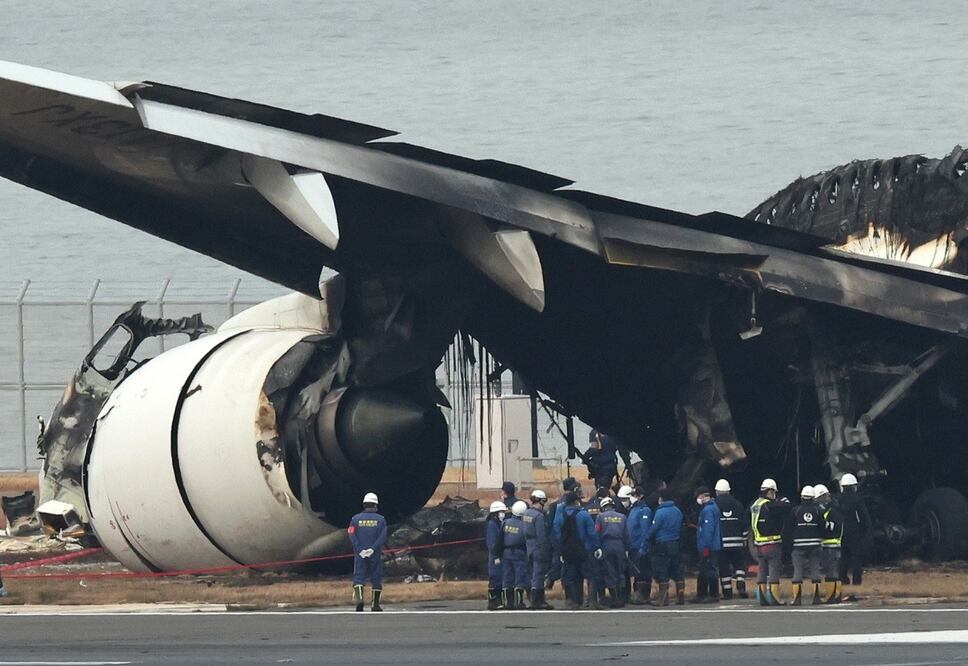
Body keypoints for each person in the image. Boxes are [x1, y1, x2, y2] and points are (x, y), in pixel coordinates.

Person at [553, 491, 601, 610]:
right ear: (576, 501)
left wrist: (561, 549)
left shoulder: (561, 515)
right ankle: (592, 601)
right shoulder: (584, 515)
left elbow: (557, 532)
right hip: (584, 550)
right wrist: (597, 546)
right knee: (590, 575)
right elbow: (592, 533)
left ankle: (572, 601)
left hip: (568, 551)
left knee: (571, 577)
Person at [348, 492, 388, 612]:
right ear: (376, 505)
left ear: (364, 504)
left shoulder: (355, 519)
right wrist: (373, 549)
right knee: (376, 577)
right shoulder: (381, 520)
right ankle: (375, 605)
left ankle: (359, 599)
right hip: (374, 554)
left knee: (359, 577)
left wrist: (360, 549)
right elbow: (383, 536)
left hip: (360, 554)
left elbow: (351, 534)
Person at [750, 478, 787, 606]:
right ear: (770, 492)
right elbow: (785, 508)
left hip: (759, 545)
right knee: (773, 571)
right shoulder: (770, 505)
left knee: (761, 570)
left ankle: (761, 598)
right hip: (772, 544)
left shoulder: (755, 505)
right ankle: (774, 598)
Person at [649, 487, 685, 606]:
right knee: (676, 569)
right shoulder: (677, 511)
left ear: (661, 499)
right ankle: (681, 595)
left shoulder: (660, 512)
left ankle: (663, 599)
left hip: (662, 544)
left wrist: (647, 539)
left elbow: (654, 529)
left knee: (662, 570)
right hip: (675, 543)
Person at [837, 473, 872, 595]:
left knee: (842, 560)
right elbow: (864, 518)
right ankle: (856, 587)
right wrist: (864, 532)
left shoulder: (837, 499)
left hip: (840, 534)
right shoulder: (857, 499)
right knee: (856, 561)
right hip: (854, 534)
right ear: (853, 486)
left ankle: (843, 584)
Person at [714, 478, 748, 600]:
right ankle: (740, 584)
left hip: (721, 543)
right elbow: (743, 523)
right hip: (737, 542)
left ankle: (727, 593)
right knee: (740, 564)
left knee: (724, 568)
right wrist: (744, 537)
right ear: (729, 491)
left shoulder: (714, 505)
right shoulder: (737, 504)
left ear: (717, 491)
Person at [790, 485, 823, 605]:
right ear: (813, 498)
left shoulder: (795, 510)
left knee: (797, 571)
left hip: (799, 546)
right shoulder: (818, 510)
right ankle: (817, 597)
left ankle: (797, 599)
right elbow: (822, 527)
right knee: (815, 571)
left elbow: (789, 528)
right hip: (815, 545)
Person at [545, 477, 578, 589]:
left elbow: (550, 525)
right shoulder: (575, 504)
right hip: (570, 538)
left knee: (557, 560)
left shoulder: (554, 505)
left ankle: (550, 580)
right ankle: (556, 581)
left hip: (556, 538)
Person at [595, 496, 628, 607]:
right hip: (620, 545)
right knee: (620, 572)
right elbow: (626, 534)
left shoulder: (600, 517)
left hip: (606, 545)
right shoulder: (622, 517)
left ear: (603, 507)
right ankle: (622, 599)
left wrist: (598, 547)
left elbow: (597, 532)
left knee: (610, 572)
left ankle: (614, 599)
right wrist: (626, 548)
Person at [523, 489, 553, 609]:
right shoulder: (539, 516)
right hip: (538, 547)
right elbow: (542, 535)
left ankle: (536, 600)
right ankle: (537, 601)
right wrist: (546, 550)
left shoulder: (526, 513)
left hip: (529, 546)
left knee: (533, 573)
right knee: (539, 574)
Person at [815, 483, 843, 604]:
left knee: (831, 572)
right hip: (832, 545)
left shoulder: (831, 511)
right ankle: (836, 595)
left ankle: (832, 596)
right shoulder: (833, 508)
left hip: (830, 545)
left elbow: (832, 528)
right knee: (833, 572)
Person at [693, 486, 722, 603]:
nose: (698, 499)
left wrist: (705, 547)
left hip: (709, 546)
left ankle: (710, 594)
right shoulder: (712, 507)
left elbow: (707, 530)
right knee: (707, 569)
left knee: (708, 570)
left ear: (704, 496)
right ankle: (707, 594)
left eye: (699, 497)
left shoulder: (708, 510)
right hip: (713, 545)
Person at [626, 485, 654, 604]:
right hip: (632, 546)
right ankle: (637, 594)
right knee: (637, 572)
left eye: (634, 495)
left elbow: (645, 530)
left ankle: (643, 595)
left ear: (640, 496)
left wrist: (644, 546)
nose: (631, 498)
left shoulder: (645, 510)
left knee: (643, 572)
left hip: (640, 547)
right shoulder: (633, 510)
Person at [502, 500, 530, 610]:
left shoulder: (505, 522)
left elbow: (500, 537)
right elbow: (525, 539)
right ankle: (518, 603)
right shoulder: (524, 525)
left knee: (507, 577)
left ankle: (507, 603)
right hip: (519, 552)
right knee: (519, 577)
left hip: (506, 552)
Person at [485, 500, 508, 610]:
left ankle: (499, 601)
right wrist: (496, 556)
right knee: (495, 579)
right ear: (495, 513)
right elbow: (492, 543)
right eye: (501, 512)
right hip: (495, 556)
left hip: (499, 555)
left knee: (500, 579)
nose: (503, 513)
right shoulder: (492, 525)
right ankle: (493, 602)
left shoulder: (499, 524)